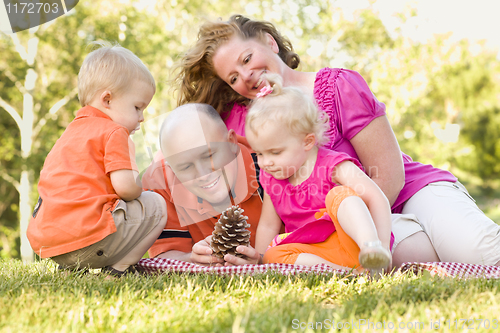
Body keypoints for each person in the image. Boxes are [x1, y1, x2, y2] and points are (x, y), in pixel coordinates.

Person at [174, 14, 500, 266]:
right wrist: (208, 243)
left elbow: (388, 175)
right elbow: (193, 163)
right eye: (233, 77)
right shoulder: (242, 121)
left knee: (481, 252)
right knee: (369, 260)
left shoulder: (338, 85)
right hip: (339, 225)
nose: (245, 76)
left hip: (407, 193)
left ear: (269, 43)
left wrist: (348, 227)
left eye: (246, 59)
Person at [27, 43, 168, 276]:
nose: (141, 118)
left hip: (53, 245)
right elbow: (126, 189)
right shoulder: (114, 132)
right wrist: (142, 180)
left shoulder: (69, 134)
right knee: (157, 205)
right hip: (91, 241)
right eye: (137, 107)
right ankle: (120, 269)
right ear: (108, 100)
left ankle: (70, 268)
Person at [246, 74, 392, 272]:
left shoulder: (333, 165)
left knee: (339, 194)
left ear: (307, 141)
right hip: (316, 255)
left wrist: (381, 246)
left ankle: (372, 253)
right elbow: (268, 225)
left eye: (275, 152)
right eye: (260, 153)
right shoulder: (272, 178)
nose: (265, 163)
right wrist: (260, 262)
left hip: (353, 242)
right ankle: (348, 274)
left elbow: (377, 198)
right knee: (273, 255)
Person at [141, 103, 265, 266]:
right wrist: (191, 258)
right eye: (186, 167)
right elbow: (163, 257)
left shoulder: (269, 165)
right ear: (173, 170)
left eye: (209, 156)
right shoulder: (159, 184)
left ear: (231, 142)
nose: (203, 174)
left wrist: (264, 260)